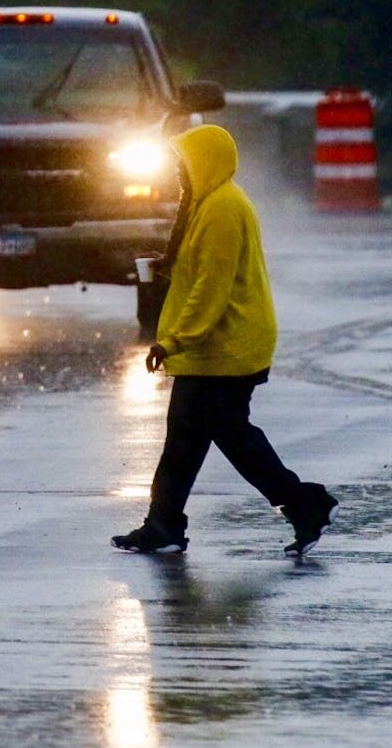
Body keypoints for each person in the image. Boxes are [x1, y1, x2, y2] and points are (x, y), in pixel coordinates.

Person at [112, 124, 337, 557]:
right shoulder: (206, 205)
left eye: (183, 163)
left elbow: (211, 291)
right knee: (188, 438)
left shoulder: (221, 210)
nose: (178, 172)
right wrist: (169, 266)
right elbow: (202, 272)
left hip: (225, 347)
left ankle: (304, 503)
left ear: (205, 163)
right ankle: (164, 524)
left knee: (229, 436)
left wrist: (172, 342)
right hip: (216, 348)